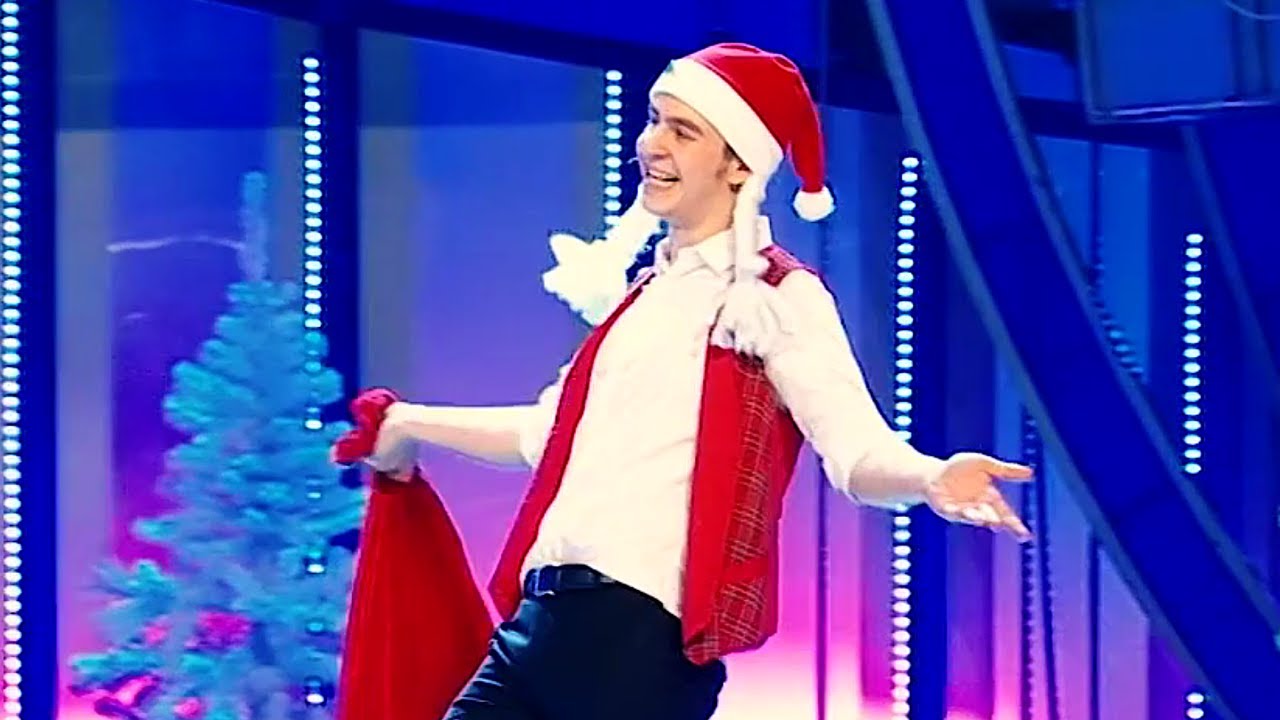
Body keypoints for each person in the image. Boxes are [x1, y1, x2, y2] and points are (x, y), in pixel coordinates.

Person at [346, 42, 1033, 720]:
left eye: (683, 131)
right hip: (539, 627)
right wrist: (408, 423)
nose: (652, 144)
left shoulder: (776, 296)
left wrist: (929, 476)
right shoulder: (645, 295)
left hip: (632, 645)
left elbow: (855, 452)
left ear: (738, 166)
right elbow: (548, 434)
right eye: (654, 120)